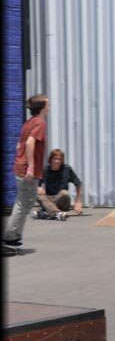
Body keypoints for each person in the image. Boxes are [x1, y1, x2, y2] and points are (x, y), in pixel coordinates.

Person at [2, 94, 49, 255]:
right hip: (27, 170)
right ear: (42, 108)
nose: (49, 107)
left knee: (23, 203)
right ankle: (9, 240)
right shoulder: (40, 123)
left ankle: (12, 238)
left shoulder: (28, 123)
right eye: (47, 105)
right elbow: (29, 144)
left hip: (19, 168)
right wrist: (31, 167)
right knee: (23, 204)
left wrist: (21, 162)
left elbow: (18, 146)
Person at [32, 148, 83, 220]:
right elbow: (37, 183)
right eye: (55, 159)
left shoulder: (66, 169)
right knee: (39, 195)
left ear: (62, 161)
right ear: (50, 159)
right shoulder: (45, 170)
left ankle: (46, 212)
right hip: (49, 198)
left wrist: (78, 202)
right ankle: (56, 214)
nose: (57, 161)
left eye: (59, 159)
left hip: (62, 200)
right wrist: (38, 187)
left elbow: (78, 184)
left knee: (64, 193)